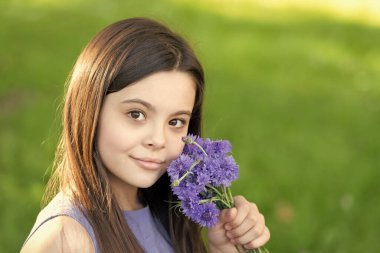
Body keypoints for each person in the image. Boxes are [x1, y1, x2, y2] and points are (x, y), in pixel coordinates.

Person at [21, 17, 270, 253]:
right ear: (89, 110)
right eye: (136, 114)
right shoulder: (65, 239)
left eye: (175, 121)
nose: (158, 140)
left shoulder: (164, 218)